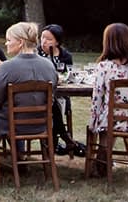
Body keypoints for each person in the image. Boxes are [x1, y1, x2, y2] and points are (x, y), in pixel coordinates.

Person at [0, 22, 58, 150]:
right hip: (42, 123)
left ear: (20, 42)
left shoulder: (7, 67)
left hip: (11, 124)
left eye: (9, 40)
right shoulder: (49, 65)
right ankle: (20, 157)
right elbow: (52, 98)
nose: (6, 43)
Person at [88, 23, 128, 175]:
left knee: (105, 119)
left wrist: (93, 122)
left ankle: (101, 165)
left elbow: (97, 98)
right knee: (110, 117)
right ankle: (104, 164)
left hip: (113, 121)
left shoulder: (104, 67)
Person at [39, 24, 84, 156]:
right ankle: (64, 137)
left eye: (49, 39)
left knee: (55, 103)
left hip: (60, 93)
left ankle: (54, 144)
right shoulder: (36, 53)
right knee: (52, 104)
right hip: (41, 93)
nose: (44, 42)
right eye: (42, 38)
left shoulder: (65, 56)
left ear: (57, 42)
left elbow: (68, 74)